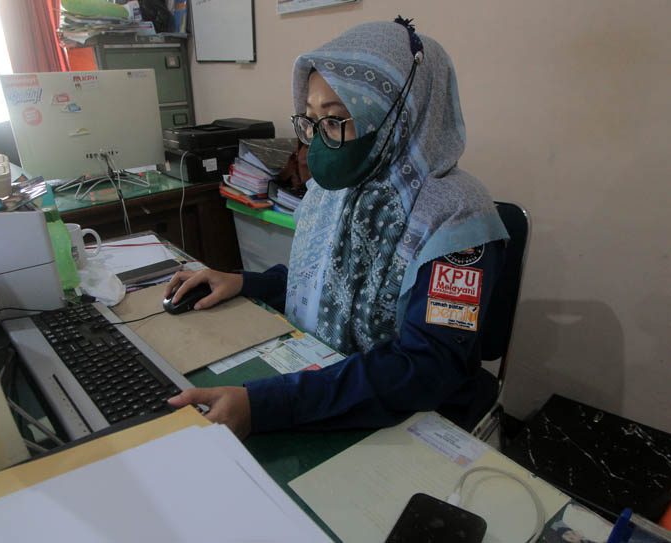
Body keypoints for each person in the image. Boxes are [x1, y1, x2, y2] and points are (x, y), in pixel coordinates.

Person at [166, 18, 510, 440]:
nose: (317, 141)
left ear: (395, 112)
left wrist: (267, 405)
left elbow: (427, 369)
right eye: (311, 120)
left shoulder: (457, 217)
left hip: (415, 418)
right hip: (329, 381)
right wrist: (242, 282)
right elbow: (325, 284)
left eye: (334, 119)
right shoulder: (343, 187)